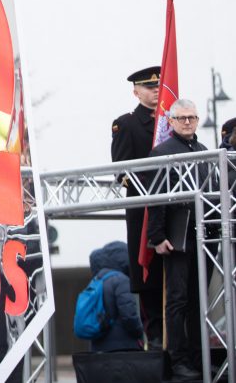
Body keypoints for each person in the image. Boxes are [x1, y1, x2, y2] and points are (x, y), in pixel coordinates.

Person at [147, 99, 206, 382]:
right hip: (177, 236)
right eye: (181, 118)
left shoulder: (205, 151)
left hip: (204, 236)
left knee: (199, 301)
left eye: (192, 117)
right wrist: (157, 237)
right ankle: (178, 360)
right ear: (170, 122)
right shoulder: (162, 152)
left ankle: (199, 358)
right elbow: (155, 200)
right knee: (177, 300)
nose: (187, 122)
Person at [110, 65, 163, 347]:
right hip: (144, 215)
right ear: (136, 91)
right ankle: (156, 346)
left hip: (174, 213)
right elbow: (122, 171)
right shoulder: (126, 124)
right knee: (150, 286)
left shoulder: (171, 121)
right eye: (148, 87)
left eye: (158, 85)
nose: (155, 90)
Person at [86, 241, 144, 352]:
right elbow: (129, 316)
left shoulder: (95, 282)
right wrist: (140, 332)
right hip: (123, 347)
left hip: (98, 346)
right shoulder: (121, 281)